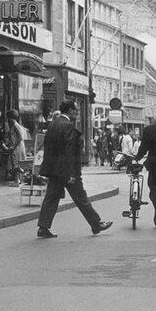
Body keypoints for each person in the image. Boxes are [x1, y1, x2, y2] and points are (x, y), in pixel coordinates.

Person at [36, 100, 112, 238]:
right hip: (67, 171)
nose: (77, 113)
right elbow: (69, 151)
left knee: (51, 198)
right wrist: (71, 173)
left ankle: (43, 227)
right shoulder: (67, 126)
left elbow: (48, 147)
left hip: (54, 170)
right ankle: (96, 224)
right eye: (76, 110)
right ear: (70, 110)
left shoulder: (53, 124)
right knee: (81, 198)